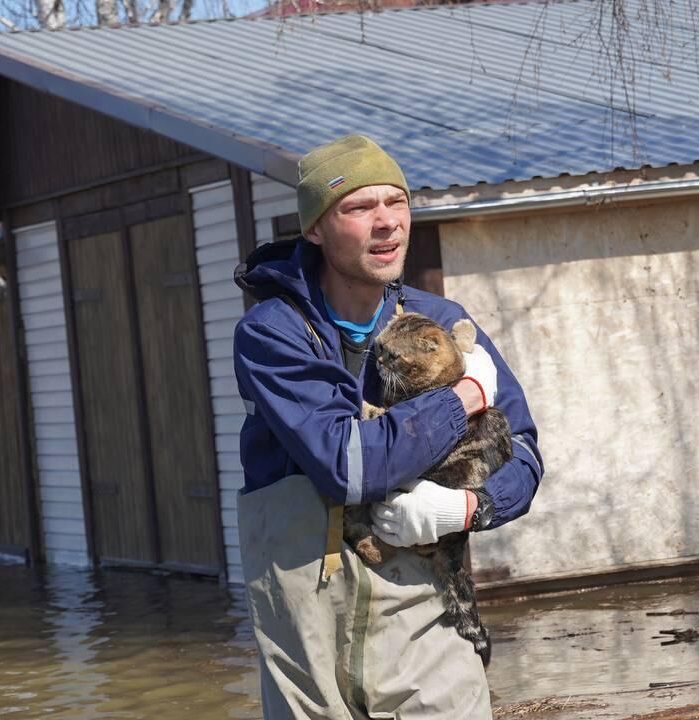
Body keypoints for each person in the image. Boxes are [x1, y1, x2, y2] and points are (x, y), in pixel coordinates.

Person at [232, 134, 543, 720]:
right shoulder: (273, 334)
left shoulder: (445, 324)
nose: (387, 224)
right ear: (316, 229)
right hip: (306, 637)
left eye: (396, 203)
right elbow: (350, 465)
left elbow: (523, 452)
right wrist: (465, 396)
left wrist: (471, 509)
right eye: (358, 207)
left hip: (426, 617)